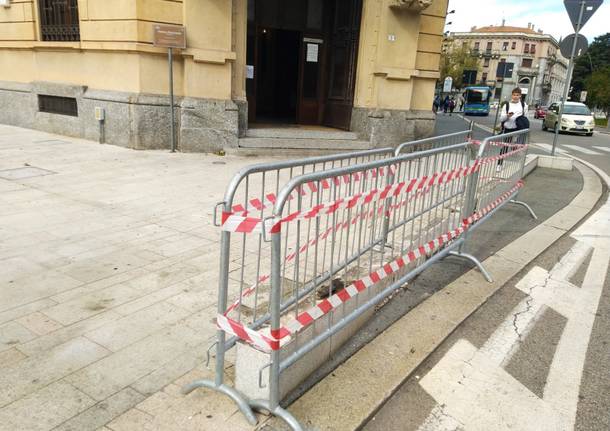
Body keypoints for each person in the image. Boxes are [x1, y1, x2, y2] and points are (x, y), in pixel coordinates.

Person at [497, 88, 528, 171]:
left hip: (519, 129)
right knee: (504, 147)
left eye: (517, 95)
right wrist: (507, 116)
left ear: (520, 96)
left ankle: (520, 166)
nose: (515, 97)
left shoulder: (523, 105)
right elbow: (501, 119)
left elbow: (525, 117)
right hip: (508, 128)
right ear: (512, 95)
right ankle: (499, 164)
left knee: (520, 147)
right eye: (514, 95)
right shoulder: (506, 105)